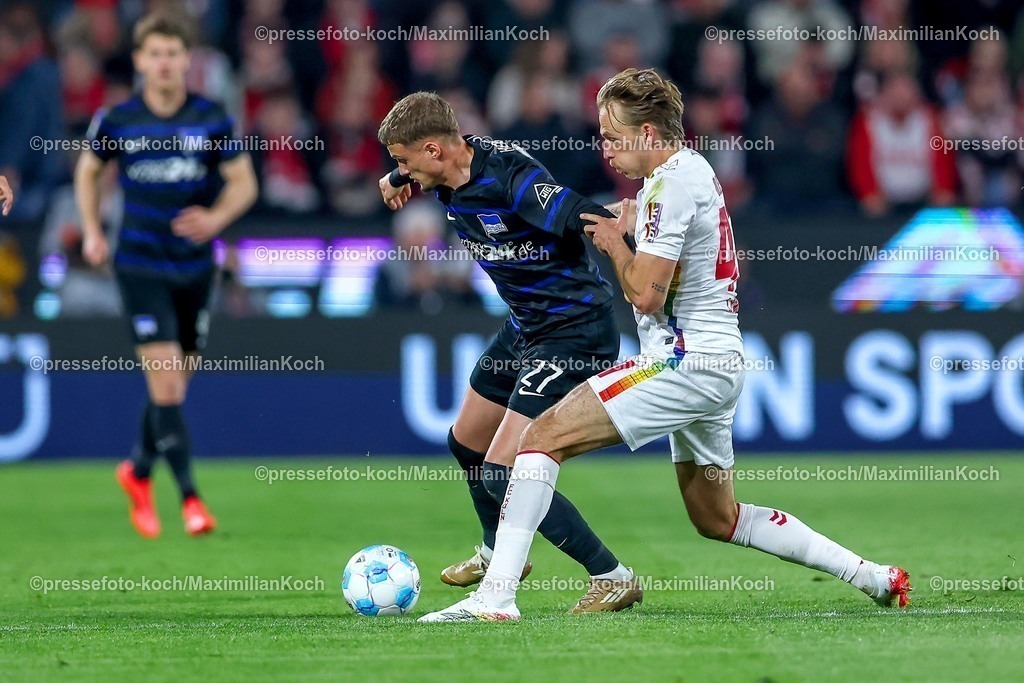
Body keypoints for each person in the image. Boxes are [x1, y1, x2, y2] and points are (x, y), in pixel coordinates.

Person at [421, 69, 911, 622]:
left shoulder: (671, 184)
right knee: (717, 518)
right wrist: (629, 233)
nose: (605, 147)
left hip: (683, 360)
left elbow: (646, 294)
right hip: (716, 361)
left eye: (613, 135)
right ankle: (873, 576)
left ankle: (497, 597)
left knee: (540, 438)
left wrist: (612, 242)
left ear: (649, 134)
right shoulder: (683, 176)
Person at [377, 92, 641, 613]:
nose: (401, 171)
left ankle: (611, 575)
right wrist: (398, 178)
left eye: (404, 161)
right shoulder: (445, 166)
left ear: (434, 150)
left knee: (504, 469)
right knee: (466, 442)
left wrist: (622, 224)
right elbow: (421, 167)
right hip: (526, 328)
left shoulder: (512, 179)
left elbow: (575, 211)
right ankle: (500, 550)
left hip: (574, 331)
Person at [74, 14, 258, 538]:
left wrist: (217, 219)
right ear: (139, 61)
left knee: (172, 387)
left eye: (173, 53)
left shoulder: (211, 118)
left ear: (186, 60)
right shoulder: (119, 120)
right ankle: (192, 499)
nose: (164, 63)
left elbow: (244, 183)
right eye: (154, 53)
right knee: (167, 386)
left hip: (196, 268)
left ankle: (136, 470)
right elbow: (88, 170)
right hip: (138, 264)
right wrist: (93, 230)